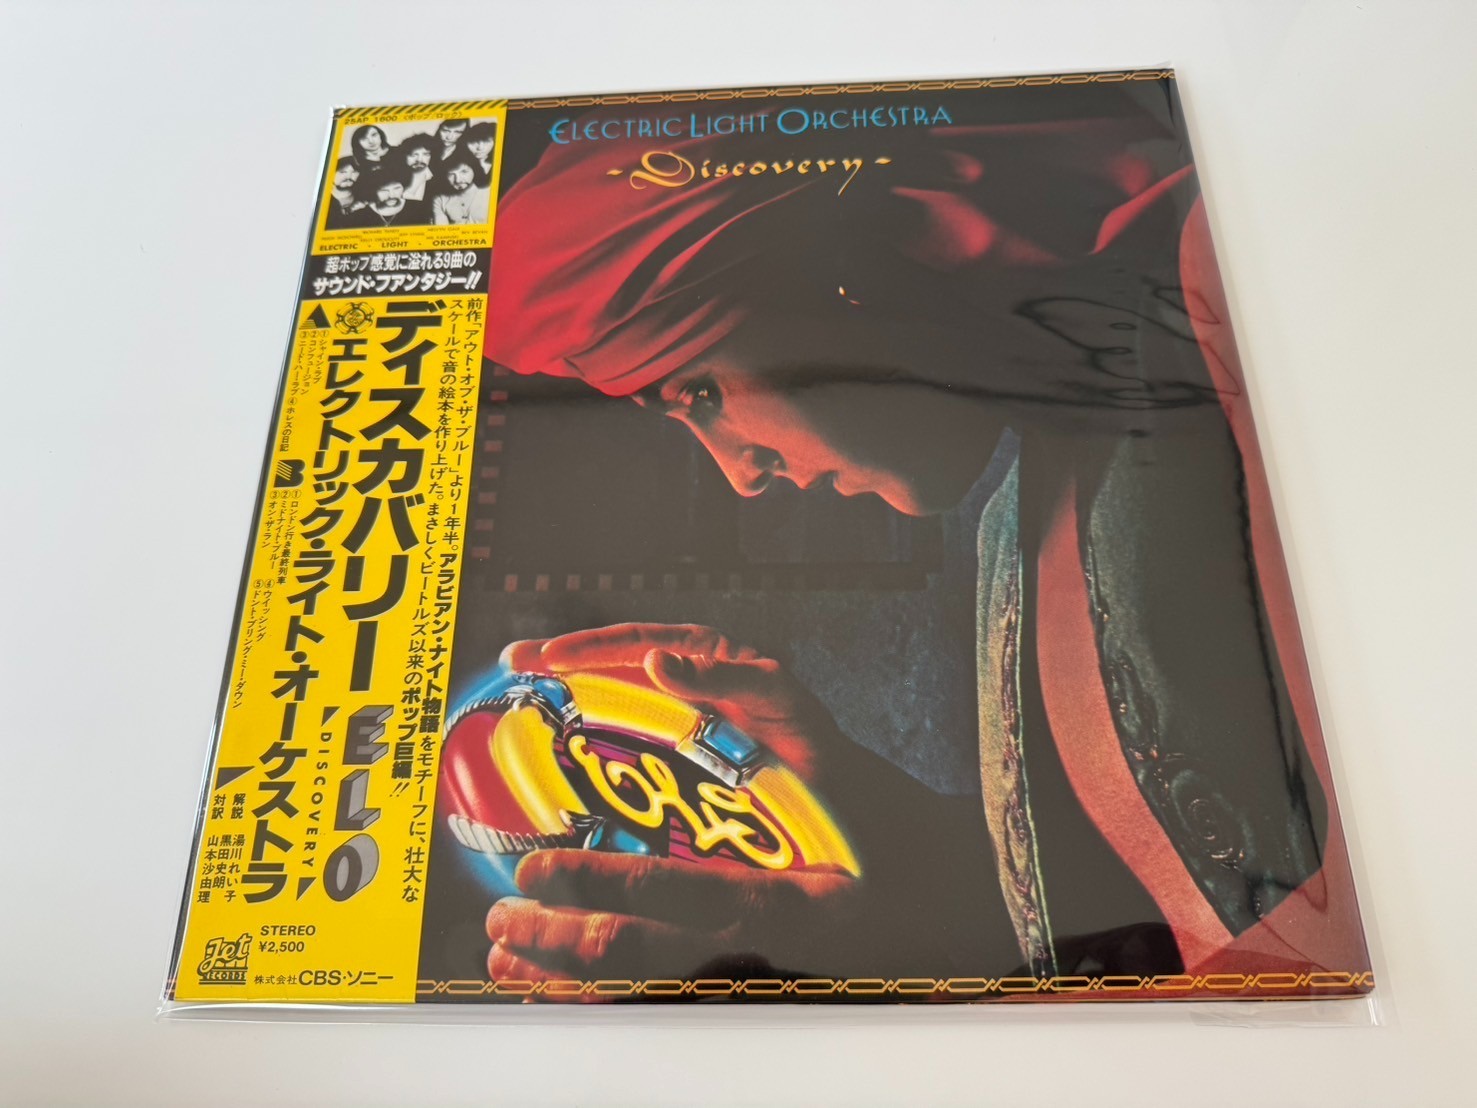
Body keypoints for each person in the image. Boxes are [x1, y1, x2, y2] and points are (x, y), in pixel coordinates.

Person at [470, 88, 1369, 989]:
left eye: (698, 393)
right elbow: (1138, 914)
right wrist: (857, 820)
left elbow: (1364, 909)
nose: (742, 474)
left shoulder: (1225, 314)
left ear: (840, 279)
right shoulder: (1016, 515)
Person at [341, 162, 427, 228]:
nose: (391, 195)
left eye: (397, 188)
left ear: (404, 187)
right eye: (384, 191)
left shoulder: (418, 208)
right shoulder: (360, 214)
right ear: (373, 191)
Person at [430, 151, 489, 225]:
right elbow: (441, 230)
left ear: (474, 170)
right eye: (451, 174)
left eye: (464, 172)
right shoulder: (440, 199)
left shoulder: (489, 193)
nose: (458, 180)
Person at [324, 157, 361, 228]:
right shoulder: (322, 199)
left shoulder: (364, 198)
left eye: (354, 172)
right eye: (343, 172)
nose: (348, 176)